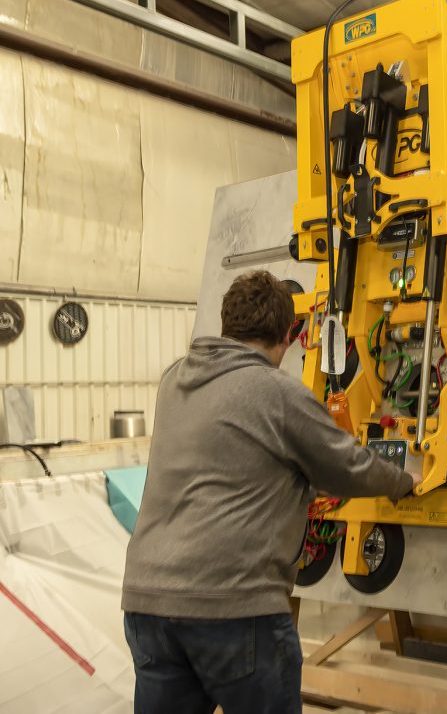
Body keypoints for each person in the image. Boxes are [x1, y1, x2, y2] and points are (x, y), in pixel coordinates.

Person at [121, 270, 417, 713]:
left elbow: (233, 455)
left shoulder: (174, 381)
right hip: (235, 608)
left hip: (148, 603)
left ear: (226, 325)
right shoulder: (277, 393)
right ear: (286, 336)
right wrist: (405, 481)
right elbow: (347, 467)